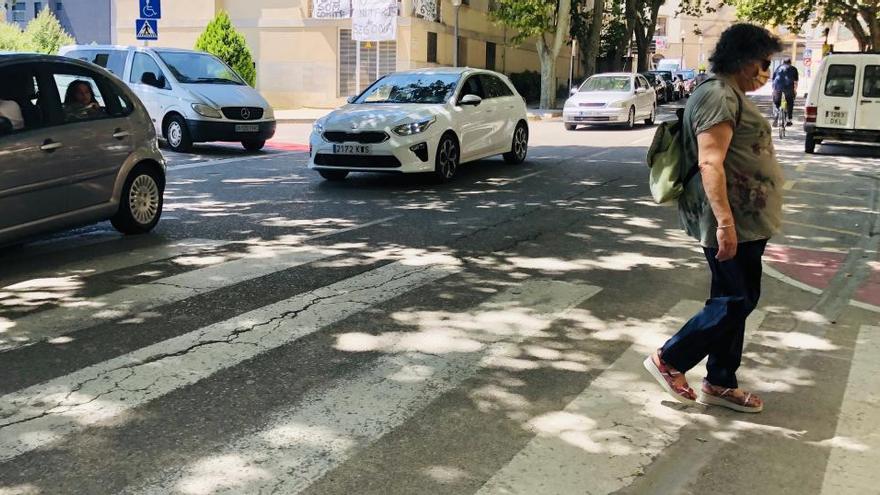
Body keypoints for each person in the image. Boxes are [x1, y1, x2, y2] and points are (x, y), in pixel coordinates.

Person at [644, 23, 785, 414]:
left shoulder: (729, 93)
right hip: (732, 220)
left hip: (746, 220)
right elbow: (710, 161)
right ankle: (670, 358)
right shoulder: (718, 95)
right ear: (742, 58)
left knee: (735, 299)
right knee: (735, 299)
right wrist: (725, 223)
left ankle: (721, 381)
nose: (766, 71)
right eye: (762, 62)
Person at [772, 58, 798, 127]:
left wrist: (774, 91)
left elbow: (774, 80)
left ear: (783, 62)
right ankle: (789, 119)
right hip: (789, 88)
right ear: (790, 63)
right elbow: (795, 82)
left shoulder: (778, 68)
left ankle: (776, 114)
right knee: (790, 102)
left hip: (778, 88)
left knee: (776, 102)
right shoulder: (794, 69)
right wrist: (794, 91)